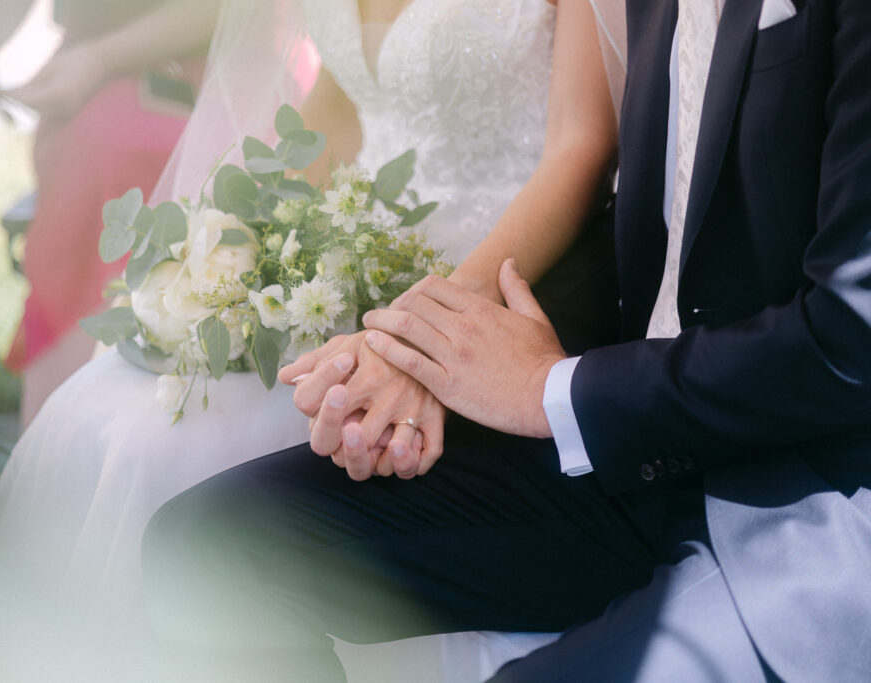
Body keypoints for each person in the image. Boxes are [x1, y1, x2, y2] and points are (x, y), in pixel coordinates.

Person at [142, 0, 871, 680]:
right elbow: (659, 233)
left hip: (801, 484)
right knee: (206, 551)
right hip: (633, 450)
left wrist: (547, 389)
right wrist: (429, 351)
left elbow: (851, 337)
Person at [0, 0, 623, 679]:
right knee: (109, 406)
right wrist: (250, 246)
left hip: (490, 270)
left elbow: (581, 145)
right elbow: (341, 107)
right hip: (349, 254)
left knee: (178, 444)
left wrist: (436, 324)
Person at [0, 0, 218, 427]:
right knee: (92, 161)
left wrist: (104, 59)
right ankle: (61, 415)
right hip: (84, 72)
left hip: (202, 66)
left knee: (113, 152)